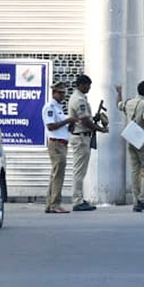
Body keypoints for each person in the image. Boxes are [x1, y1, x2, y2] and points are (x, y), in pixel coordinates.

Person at [116, 80, 144, 213]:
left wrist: (119, 93)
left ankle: (136, 200)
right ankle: (143, 199)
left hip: (130, 138)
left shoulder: (129, 102)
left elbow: (119, 105)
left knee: (135, 169)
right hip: (142, 139)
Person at [67, 73, 100, 211]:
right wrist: (100, 128)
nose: (89, 88)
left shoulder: (80, 98)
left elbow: (86, 118)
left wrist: (95, 119)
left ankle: (79, 197)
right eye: (87, 85)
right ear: (81, 85)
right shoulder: (78, 100)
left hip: (83, 136)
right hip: (80, 137)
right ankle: (77, 200)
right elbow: (85, 120)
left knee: (81, 171)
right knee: (79, 171)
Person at [42, 81, 73, 213]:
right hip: (56, 144)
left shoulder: (59, 108)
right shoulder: (49, 107)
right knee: (58, 175)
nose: (62, 96)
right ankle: (55, 204)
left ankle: (50, 204)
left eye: (63, 93)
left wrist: (71, 123)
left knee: (55, 175)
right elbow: (51, 126)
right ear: (54, 92)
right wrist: (67, 120)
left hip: (62, 144)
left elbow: (63, 126)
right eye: (60, 93)